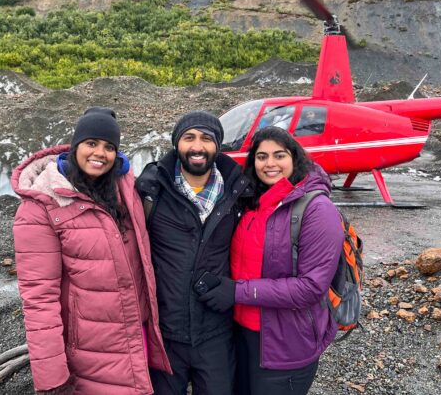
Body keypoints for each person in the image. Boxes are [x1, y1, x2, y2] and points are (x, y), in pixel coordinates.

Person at [11, 107, 171, 395]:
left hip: (137, 335)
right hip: (89, 350)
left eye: (110, 147)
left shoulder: (123, 189)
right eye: (91, 143)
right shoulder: (40, 207)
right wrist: (51, 376)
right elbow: (39, 297)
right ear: (75, 146)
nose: (100, 153)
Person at [135, 111, 252, 395]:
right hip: (166, 334)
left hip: (216, 331)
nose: (197, 146)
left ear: (218, 146)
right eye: (189, 138)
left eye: (207, 138)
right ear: (177, 144)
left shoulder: (240, 191)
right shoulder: (151, 190)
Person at [224, 126, 344, 395]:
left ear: (294, 158)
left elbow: (311, 287)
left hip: (286, 344)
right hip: (244, 335)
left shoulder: (316, 209)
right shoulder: (253, 204)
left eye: (279, 155)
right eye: (262, 156)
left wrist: (236, 291)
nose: (270, 164)